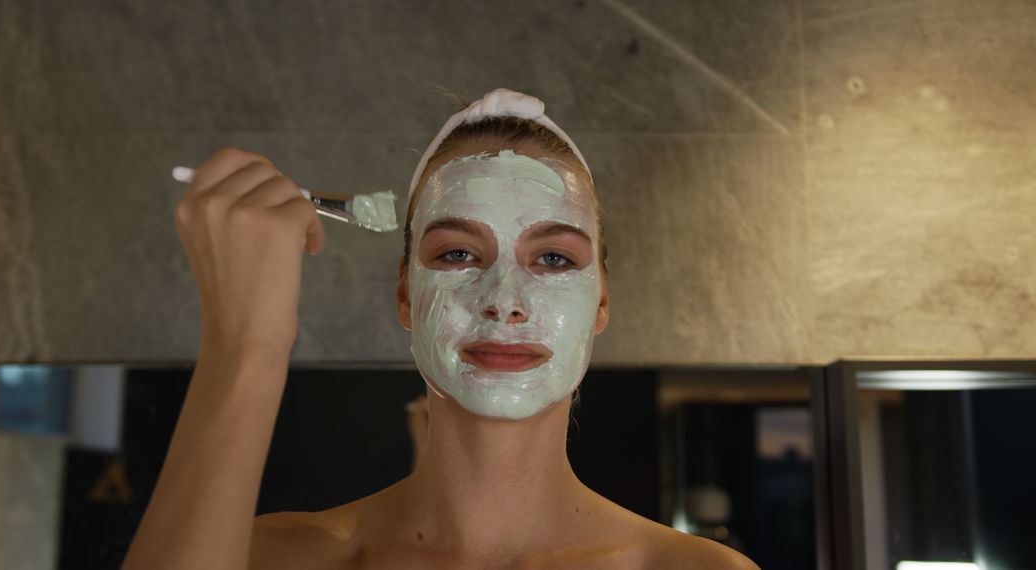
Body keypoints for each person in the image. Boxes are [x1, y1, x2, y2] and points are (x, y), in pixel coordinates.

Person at [122, 88, 758, 569]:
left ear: (600, 303)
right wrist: (245, 344)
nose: (505, 303)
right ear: (405, 292)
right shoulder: (277, 557)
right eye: (458, 254)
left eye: (554, 258)